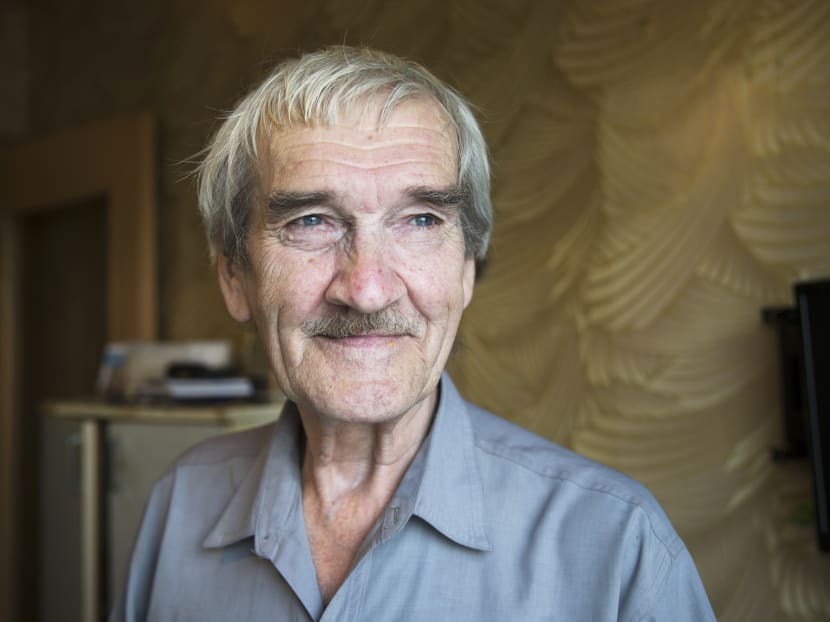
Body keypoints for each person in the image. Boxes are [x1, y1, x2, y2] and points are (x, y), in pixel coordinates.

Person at [112, 46, 715, 621]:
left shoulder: (616, 547)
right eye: (312, 220)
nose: (367, 288)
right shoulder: (180, 506)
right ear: (234, 276)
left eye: (421, 219)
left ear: (466, 268)